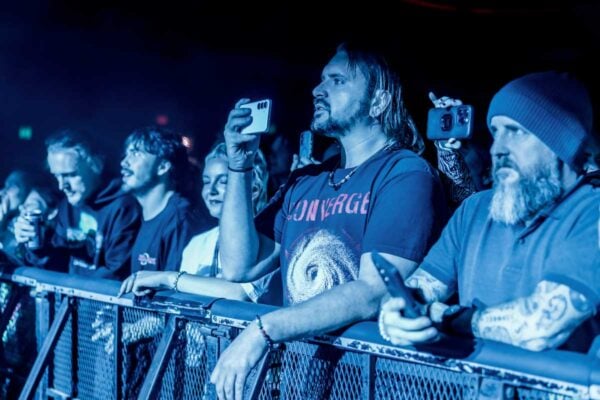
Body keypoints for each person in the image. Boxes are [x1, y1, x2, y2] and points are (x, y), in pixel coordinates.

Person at [210, 43, 447, 399]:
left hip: (367, 385)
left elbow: (374, 290)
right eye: (321, 80)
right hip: (299, 382)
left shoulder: (405, 174)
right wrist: (239, 166)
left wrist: (264, 328)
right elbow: (238, 265)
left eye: (337, 81)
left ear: (379, 101)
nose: (317, 90)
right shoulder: (307, 181)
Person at [379, 71, 599, 353]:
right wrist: (394, 313)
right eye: (496, 132)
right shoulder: (475, 210)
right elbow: (420, 288)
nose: (498, 149)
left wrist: (447, 318)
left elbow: (539, 326)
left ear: (560, 143)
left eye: (516, 131)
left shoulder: (591, 212)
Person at [118, 142, 279, 304]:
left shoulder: (271, 242)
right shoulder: (196, 244)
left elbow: (239, 294)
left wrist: (166, 278)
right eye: (206, 182)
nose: (211, 190)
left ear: (253, 190)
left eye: (223, 181)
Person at [13, 131, 141, 279]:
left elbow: (116, 274)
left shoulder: (124, 207)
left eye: (70, 175)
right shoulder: (67, 206)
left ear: (97, 165)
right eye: (57, 176)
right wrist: (37, 244)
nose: (62, 186)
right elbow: (56, 266)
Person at [120, 126, 210, 273]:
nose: (124, 162)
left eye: (136, 154)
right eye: (126, 154)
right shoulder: (140, 215)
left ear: (162, 167)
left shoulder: (179, 220)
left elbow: (176, 284)